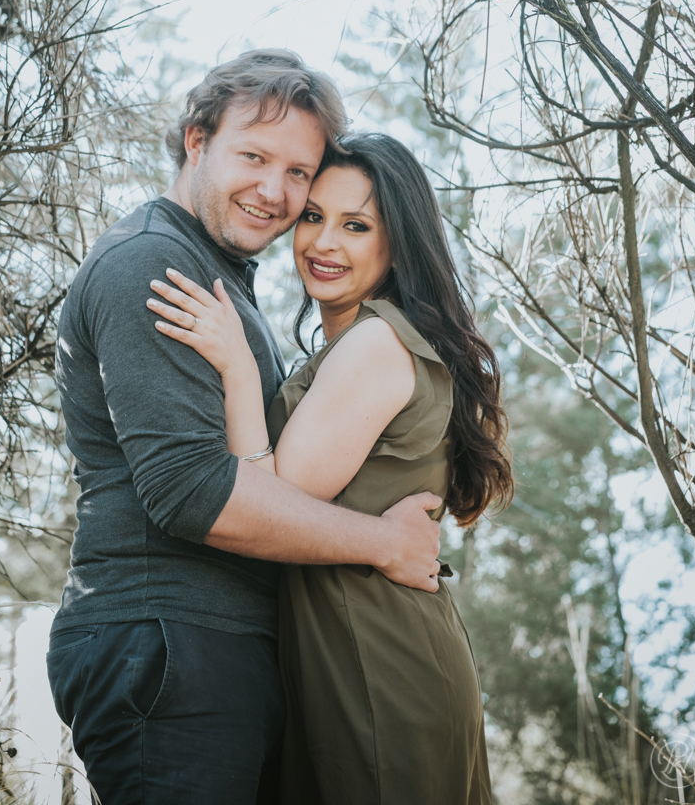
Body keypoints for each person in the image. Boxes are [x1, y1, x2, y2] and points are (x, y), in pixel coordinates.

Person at [47, 51, 443, 805]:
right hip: (166, 643)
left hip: (214, 648)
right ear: (197, 140)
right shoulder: (155, 263)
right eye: (254, 157)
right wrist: (384, 543)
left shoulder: (220, 275)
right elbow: (193, 492)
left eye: (299, 172)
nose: (276, 191)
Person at [147, 131, 514, 805]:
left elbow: (271, 498)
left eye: (356, 225)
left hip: (380, 665)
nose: (323, 243)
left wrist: (232, 365)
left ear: (396, 243)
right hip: (354, 655)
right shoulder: (360, 343)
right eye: (313, 216)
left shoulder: (376, 342)